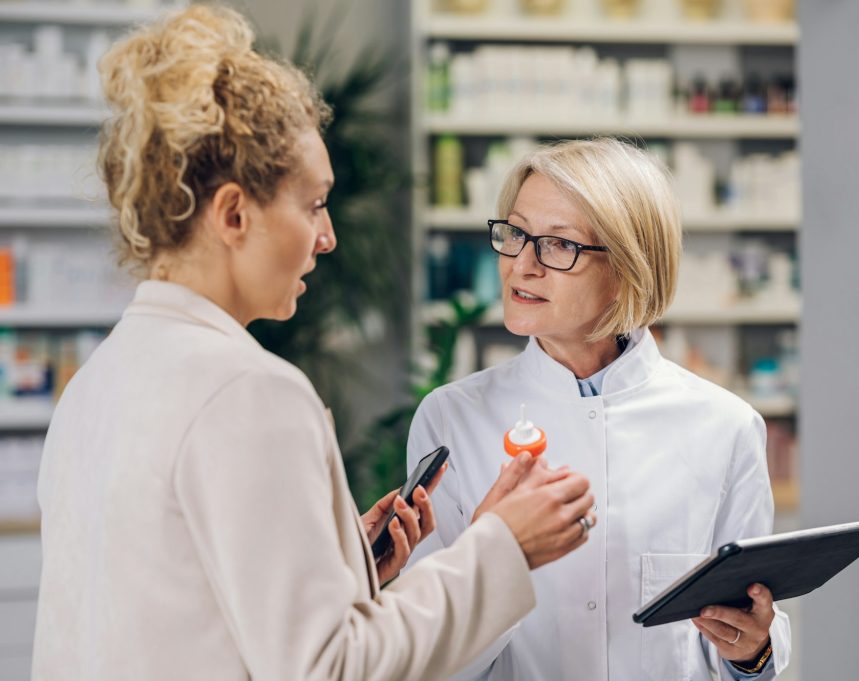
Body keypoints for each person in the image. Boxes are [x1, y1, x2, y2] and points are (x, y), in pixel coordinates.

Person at [32, 7, 596, 681]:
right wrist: (503, 545)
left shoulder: (98, 381)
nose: (327, 238)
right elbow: (332, 668)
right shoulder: (248, 392)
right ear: (234, 215)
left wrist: (342, 566)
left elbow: (177, 604)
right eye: (313, 205)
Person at [407, 138, 792, 680]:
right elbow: (427, 657)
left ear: (630, 266)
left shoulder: (725, 426)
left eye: (558, 246)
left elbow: (745, 630)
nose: (522, 265)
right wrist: (493, 557)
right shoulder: (451, 418)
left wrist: (751, 651)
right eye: (515, 234)